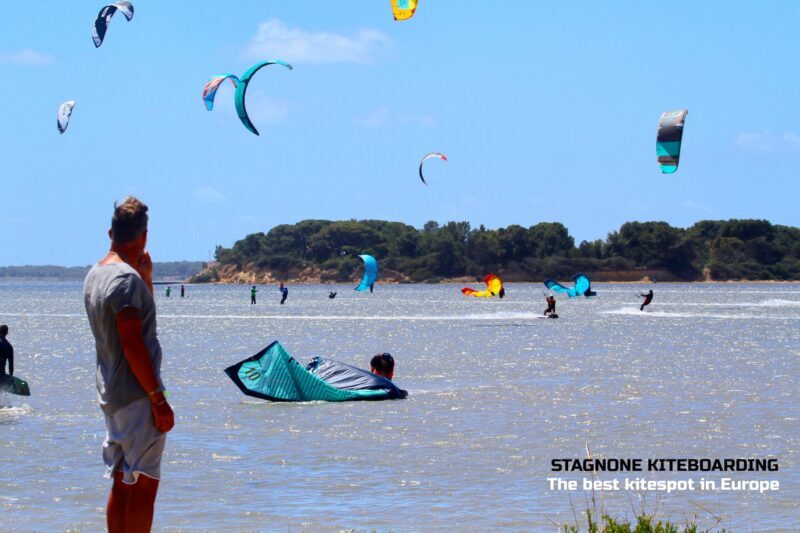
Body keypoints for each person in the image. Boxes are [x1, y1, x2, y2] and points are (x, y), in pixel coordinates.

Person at [83, 196, 174, 533]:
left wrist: (146, 277)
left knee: (122, 482)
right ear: (144, 237)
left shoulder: (96, 274)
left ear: (111, 233)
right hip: (137, 395)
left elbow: (138, 327)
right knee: (146, 484)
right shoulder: (125, 280)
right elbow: (133, 343)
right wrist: (158, 399)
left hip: (111, 393)